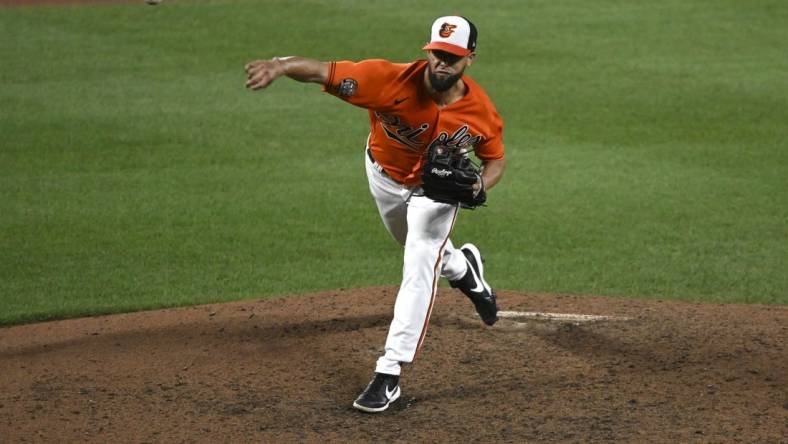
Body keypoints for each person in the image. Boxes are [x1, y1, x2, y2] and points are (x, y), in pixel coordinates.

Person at [245, 15, 506, 413]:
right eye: (437, 53)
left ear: (469, 58)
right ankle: (464, 268)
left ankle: (389, 373)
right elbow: (322, 71)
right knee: (423, 250)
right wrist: (279, 66)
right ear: (428, 50)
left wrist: (478, 186)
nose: (441, 63)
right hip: (383, 177)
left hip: (435, 195)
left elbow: (495, 160)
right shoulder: (387, 80)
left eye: (451, 57)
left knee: (419, 261)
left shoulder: (481, 111)